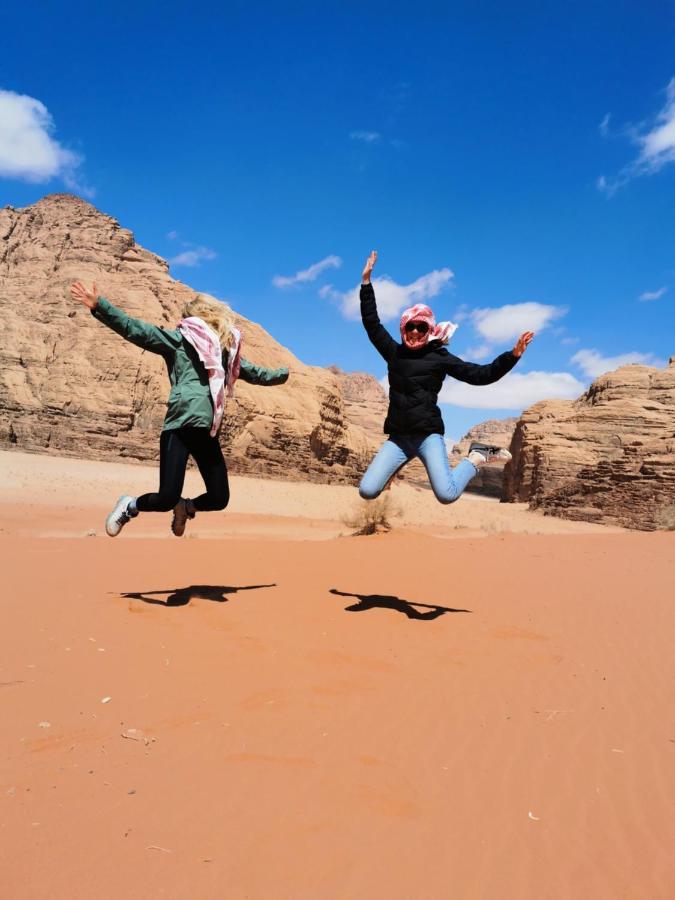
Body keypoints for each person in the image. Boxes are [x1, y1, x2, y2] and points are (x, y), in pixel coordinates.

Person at [69, 282, 289, 537]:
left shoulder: (222, 353)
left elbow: (252, 372)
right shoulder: (178, 341)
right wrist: (100, 306)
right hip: (179, 428)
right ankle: (129, 506)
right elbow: (136, 330)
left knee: (219, 498)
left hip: (206, 431)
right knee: (165, 498)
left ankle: (186, 507)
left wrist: (281, 375)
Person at [357, 251, 533, 503]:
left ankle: (476, 457)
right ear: (403, 327)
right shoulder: (394, 353)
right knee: (367, 490)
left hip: (427, 436)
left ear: (429, 330)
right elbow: (371, 323)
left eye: (421, 327)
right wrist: (366, 283)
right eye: (410, 326)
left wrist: (512, 356)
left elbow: (480, 375)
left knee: (446, 494)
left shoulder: (439, 357)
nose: (415, 332)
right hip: (397, 439)